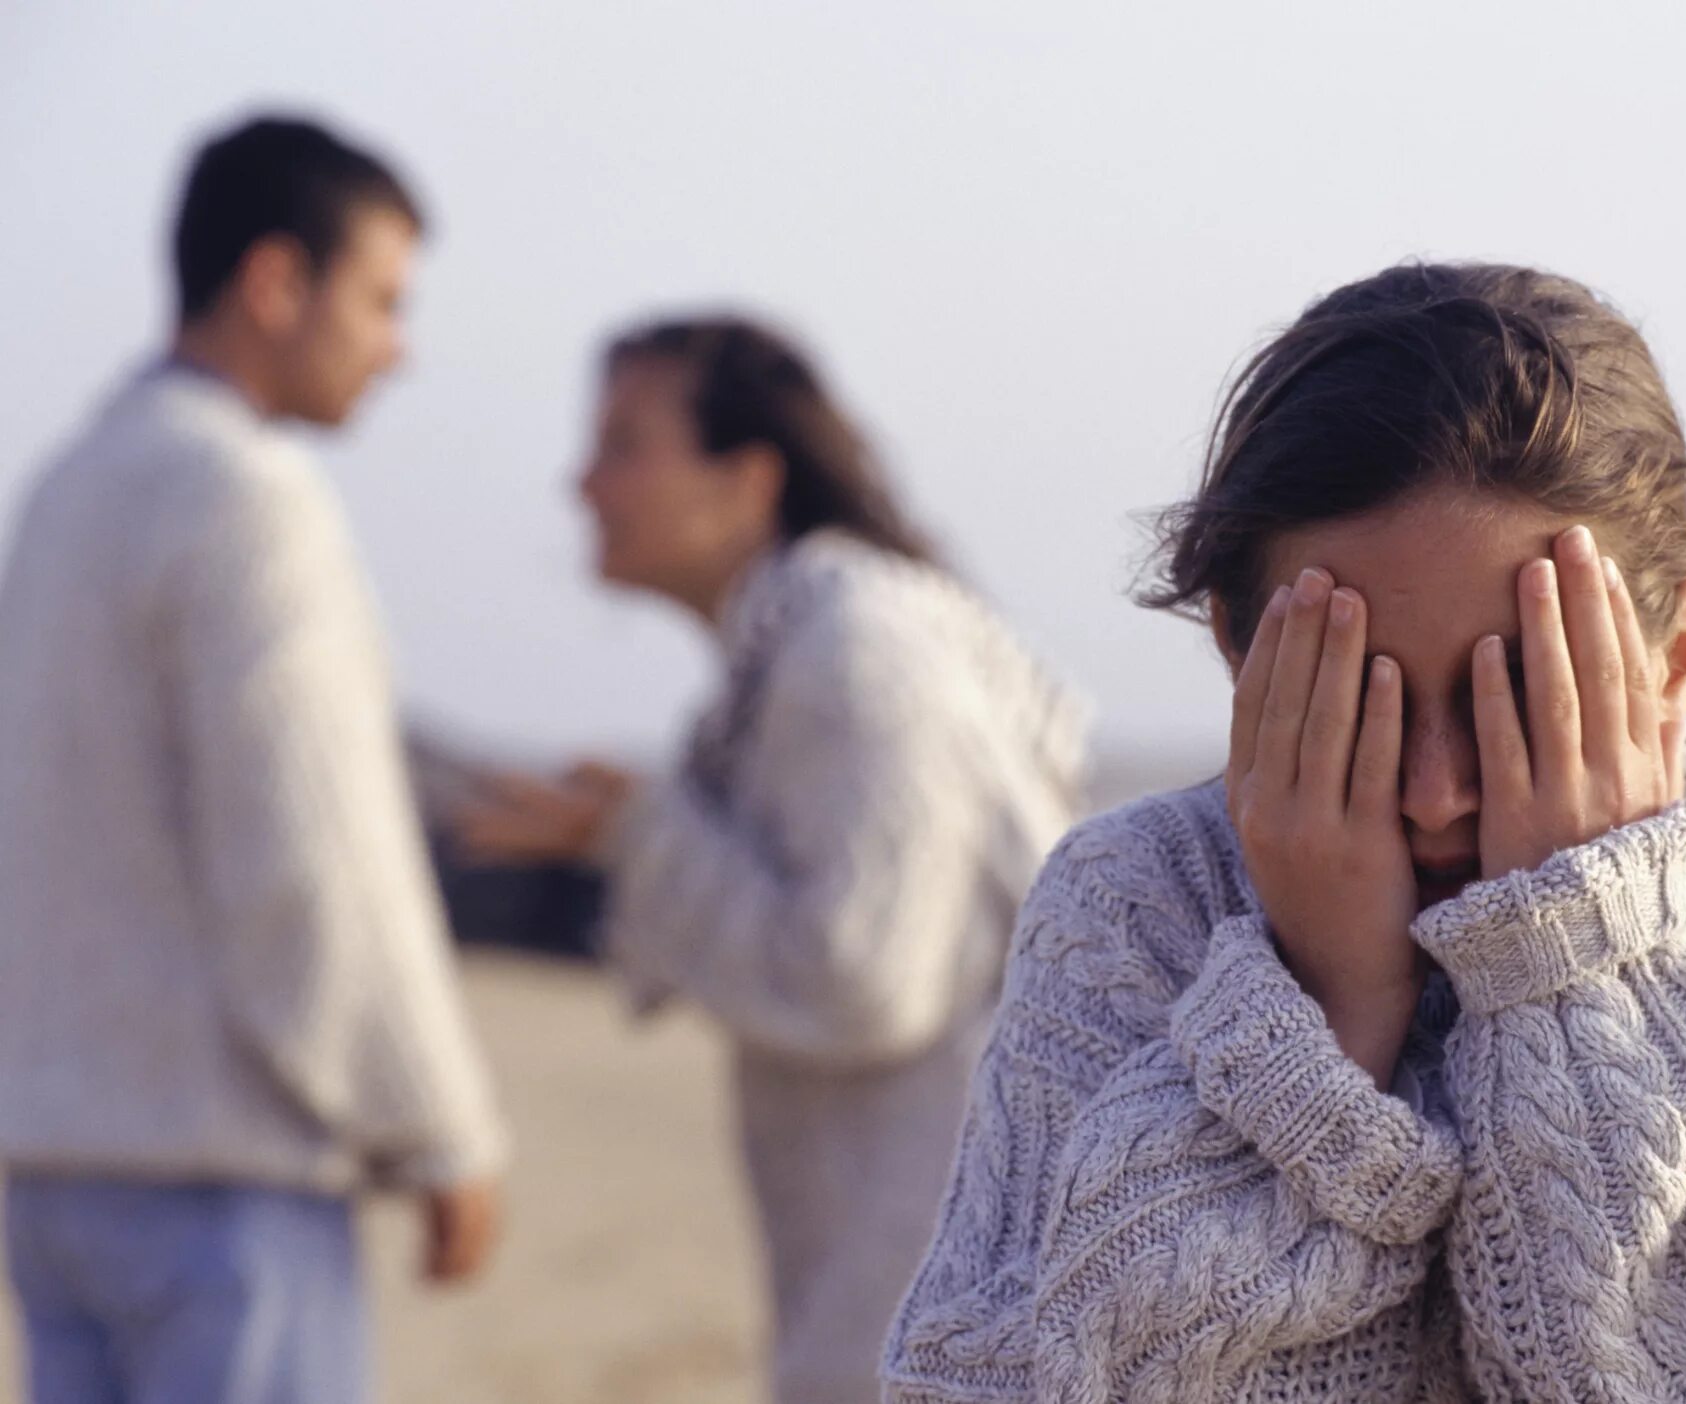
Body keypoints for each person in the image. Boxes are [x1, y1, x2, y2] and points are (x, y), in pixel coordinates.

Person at [882, 262, 1686, 1402]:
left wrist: (1593, 969)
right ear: (1240, 651)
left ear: (1683, 656)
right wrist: (1320, 1020)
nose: (1444, 790)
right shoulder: (1137, 898)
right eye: (1370, 698)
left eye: (1519, 693)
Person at [454, 315, 1086, 1403]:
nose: (583, 485)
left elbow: (862, 978)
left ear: (749, 479)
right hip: (924, 1266)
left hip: (944, 1285)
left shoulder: (856, 646)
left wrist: (643, 835)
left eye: (623, 445)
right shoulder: (801, 646)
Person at [0, 115, 508, 1404]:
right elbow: (314, 863)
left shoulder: (66, 489)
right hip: (220, 1196)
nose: (399, 349)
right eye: (383, 300)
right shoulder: (247, 496)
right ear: (277, 281)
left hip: (55, 1171)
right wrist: (440, 1127)